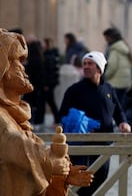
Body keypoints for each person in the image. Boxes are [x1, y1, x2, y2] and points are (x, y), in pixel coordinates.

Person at [0, 29, 93, 195]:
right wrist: (50, 160)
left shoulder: (16, 116)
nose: (23, 68)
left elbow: (31, 149)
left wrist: (62, 175)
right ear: (3, 72)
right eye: (16, 62)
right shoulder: (2, 118)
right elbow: (13, 144)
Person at [59, 51, 131, 195]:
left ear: (99, 68)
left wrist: (123, 122)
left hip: (104, 145)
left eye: (90, 64)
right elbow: (62, 115)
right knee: (82, 182)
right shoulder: (74, 90)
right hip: (82, 146)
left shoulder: (109, 89)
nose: (85, 66)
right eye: (84, 63)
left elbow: (118, 110)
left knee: (101, 178)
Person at [103, 27, 132, 103]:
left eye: (106, 38)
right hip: (125, 83)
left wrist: (105, 76)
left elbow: (112, 67)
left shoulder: (115, 51)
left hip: (115, 83)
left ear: (111, 38)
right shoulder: (124, 48)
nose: (105, 40)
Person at [23, 36, 46, 129]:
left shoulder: (31, 61)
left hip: (30, 85)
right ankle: (37, 122)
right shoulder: (41, 59)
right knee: (37, 105)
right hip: (38, 85)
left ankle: (28, 121)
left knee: (28, 104)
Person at [43, 37, 61, 124]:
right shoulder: (53, 55)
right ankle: (57, 118)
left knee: (50, 101)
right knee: (50, 101)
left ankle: (57, 118)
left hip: (49, 84)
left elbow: (48, 72)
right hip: (51, 83)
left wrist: (46, 84)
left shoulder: (48, 56)